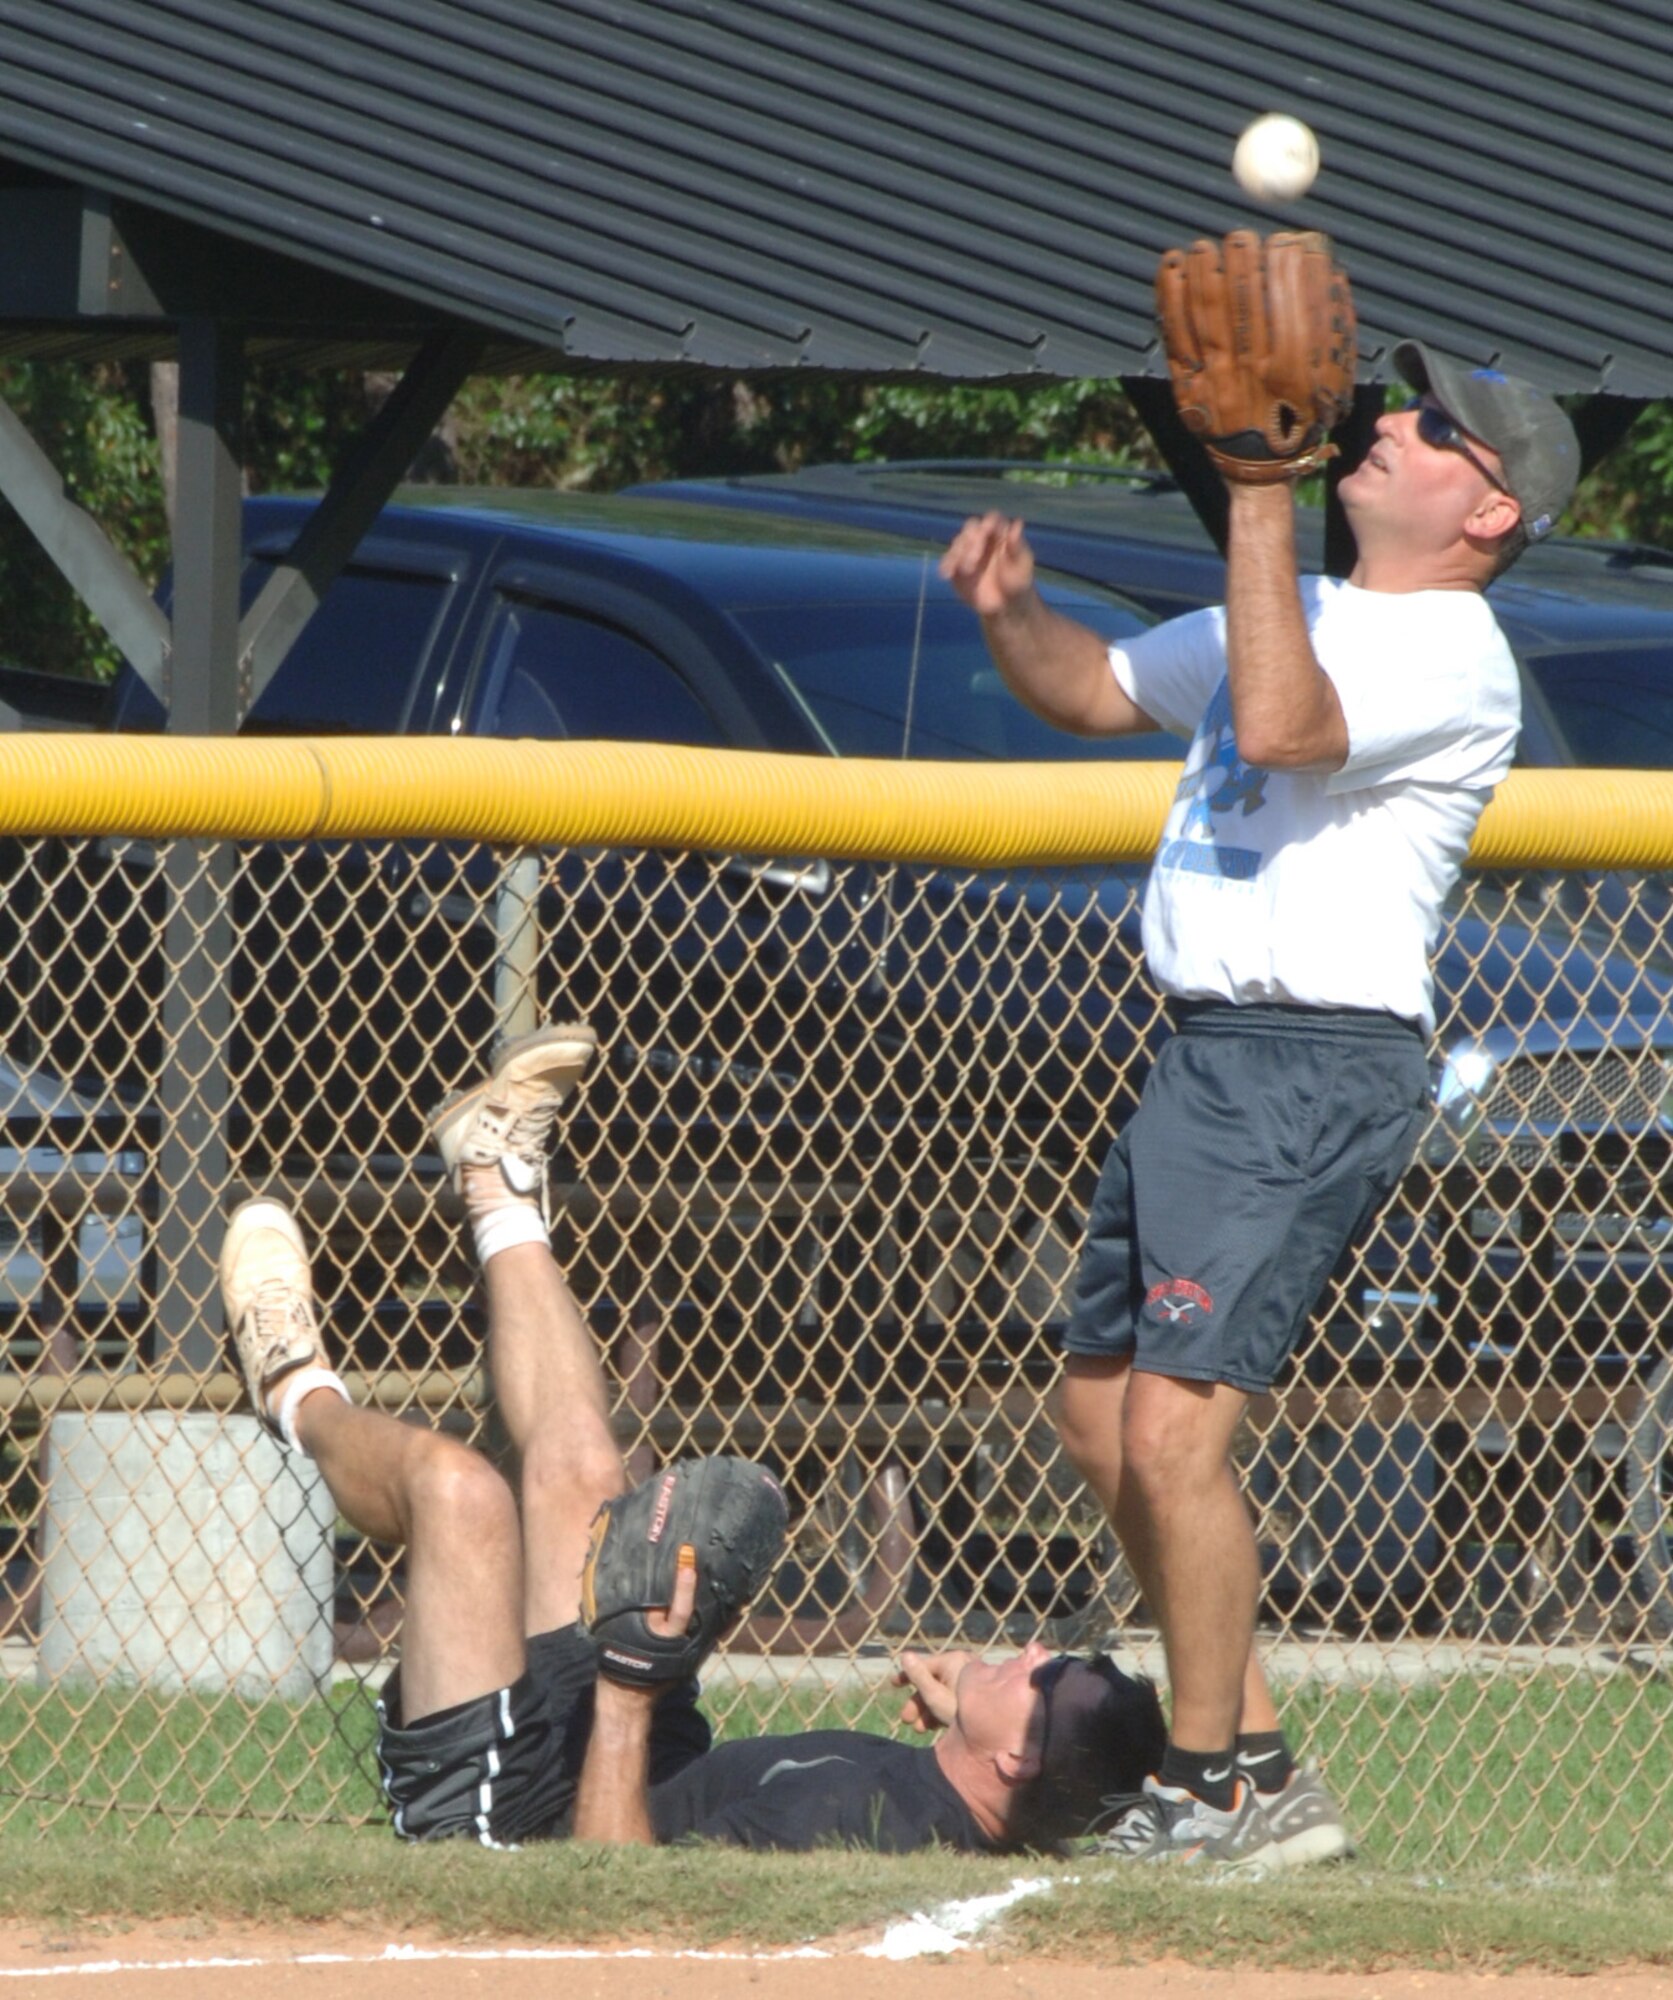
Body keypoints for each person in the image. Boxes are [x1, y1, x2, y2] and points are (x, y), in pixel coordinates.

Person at [939, 344, 1581, 1871]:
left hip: (1311, 1061)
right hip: (1204, 1054)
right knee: (1099, 1419)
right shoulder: (1303, 609)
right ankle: (1260, 1756)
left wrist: (1253, 500)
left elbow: (1286, 728)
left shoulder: (1450, 649)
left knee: (1173, 1436)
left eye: (1435, 430)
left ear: (1486, 511)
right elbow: (1095, 689)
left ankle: (1222, 1786)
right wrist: (1011, 610)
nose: (1393, 426)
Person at [218, 1022, 1165, 1852]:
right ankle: (495, 1181)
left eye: (1046, 1683)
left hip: (512, 1821)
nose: (1038, 1648)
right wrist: (968, 1710)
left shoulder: (856, 1830)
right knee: (586, 1466)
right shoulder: (969, 1791)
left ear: (1016, 1759)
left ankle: (295, 1388)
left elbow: (613, 1891)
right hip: (637, 1758)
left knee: (459, 1493)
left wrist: (630, 1694)